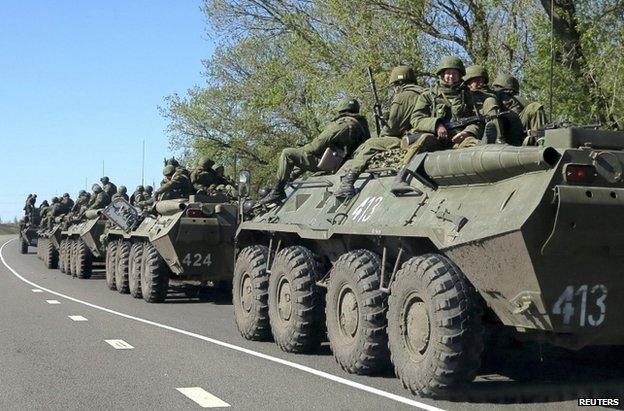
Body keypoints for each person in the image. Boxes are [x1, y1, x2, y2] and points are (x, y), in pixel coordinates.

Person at [335, 66, 426, 198]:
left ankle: (347, 183)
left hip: (409, 138)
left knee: (371, 144)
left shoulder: (403, 97)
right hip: (422, 136)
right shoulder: (423, 92)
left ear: (398, 84)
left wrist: (383, 132)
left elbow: (394, 127)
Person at [259, 97, 370, 205]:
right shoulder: (362, 125)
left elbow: (314, 147)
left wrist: (301, 151)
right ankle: (289, 179)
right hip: (347, 164)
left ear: (340, 109)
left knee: (287, 154)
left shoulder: (341, 124)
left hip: (331, 165)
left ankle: (277, 191)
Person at [403, 56, 499, 160]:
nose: (451, 76)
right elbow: (416, 119)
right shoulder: (428, 95)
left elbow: (477, 120)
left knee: (473, 143)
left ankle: (486, 151)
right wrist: (437, 125)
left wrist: (468, 132)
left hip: (458, 139)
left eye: (455, 73)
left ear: (460, 75)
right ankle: (404, 169)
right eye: (448, 73)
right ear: (442, 74)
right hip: (435, 138)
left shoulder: (467, 95)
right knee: (424, 139)